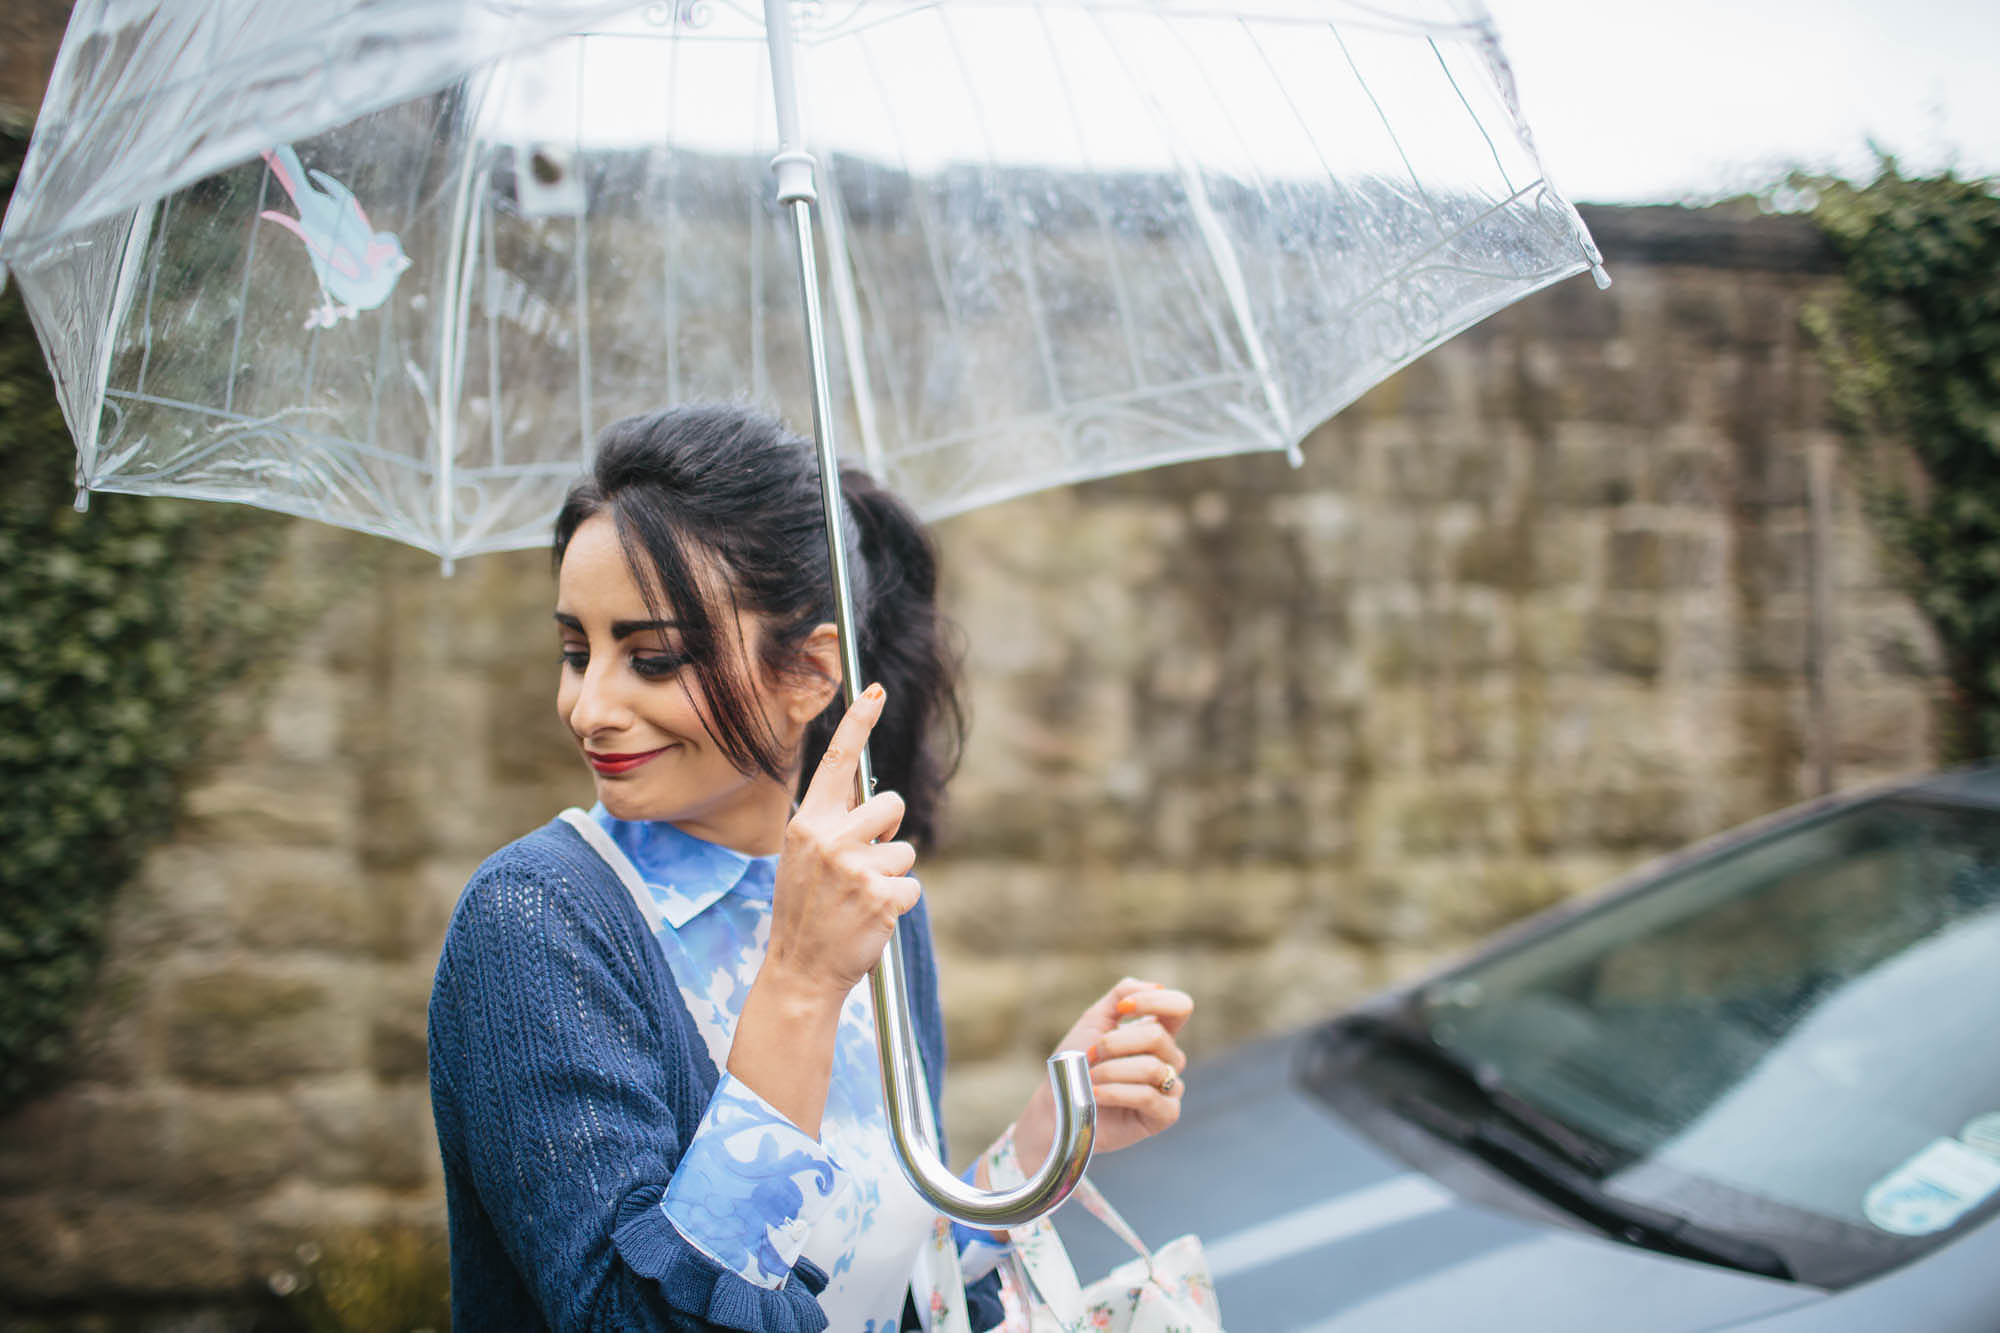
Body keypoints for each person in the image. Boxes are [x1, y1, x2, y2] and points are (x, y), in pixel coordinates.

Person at [427, 403, 1194, 1332]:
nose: (589, 706)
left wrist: (1047, 1136)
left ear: (809, 672)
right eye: (576, 651)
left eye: (652, 657)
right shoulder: (539, 922)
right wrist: (798, 981)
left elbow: (885, 1289)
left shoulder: (872, 900)